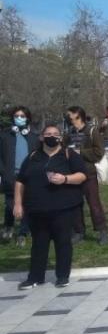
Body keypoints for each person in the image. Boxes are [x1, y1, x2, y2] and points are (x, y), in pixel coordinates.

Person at [15, 125, 87, 290]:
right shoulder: (33, 156)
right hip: (37, 209)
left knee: (63, 242)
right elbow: (20, 180)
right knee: (39, 244)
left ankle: (62, 276)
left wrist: (65, 179)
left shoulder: (69, 155)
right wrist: (18, 204)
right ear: (41, 137)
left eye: (55, 134)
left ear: (60, 137)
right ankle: (35, 277)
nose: (51, 137)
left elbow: (82, 175)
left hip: (63, 208)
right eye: (48, 134)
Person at [66, 106, 108, 246]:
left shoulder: (92, 131)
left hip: (88, 173)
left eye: (74, 118)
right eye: (70, 118)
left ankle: (102, 231)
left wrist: (80, 152)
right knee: (75, 204)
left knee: (94, 203)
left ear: (81, 117)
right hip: (72, 174)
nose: (72, 121)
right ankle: (79, 231)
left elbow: (99, 152)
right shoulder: (69, 132)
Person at [0, 106, 39, 247]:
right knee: (10, 204)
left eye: (23, 116)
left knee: (26, 205)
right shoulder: (4, 135)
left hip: (28, 176)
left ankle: (23, 232)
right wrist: (3, 171)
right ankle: (8, 226)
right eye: (17, 115)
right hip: (10, 176)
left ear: (27, 118)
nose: (20, 118)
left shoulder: (34, 137)